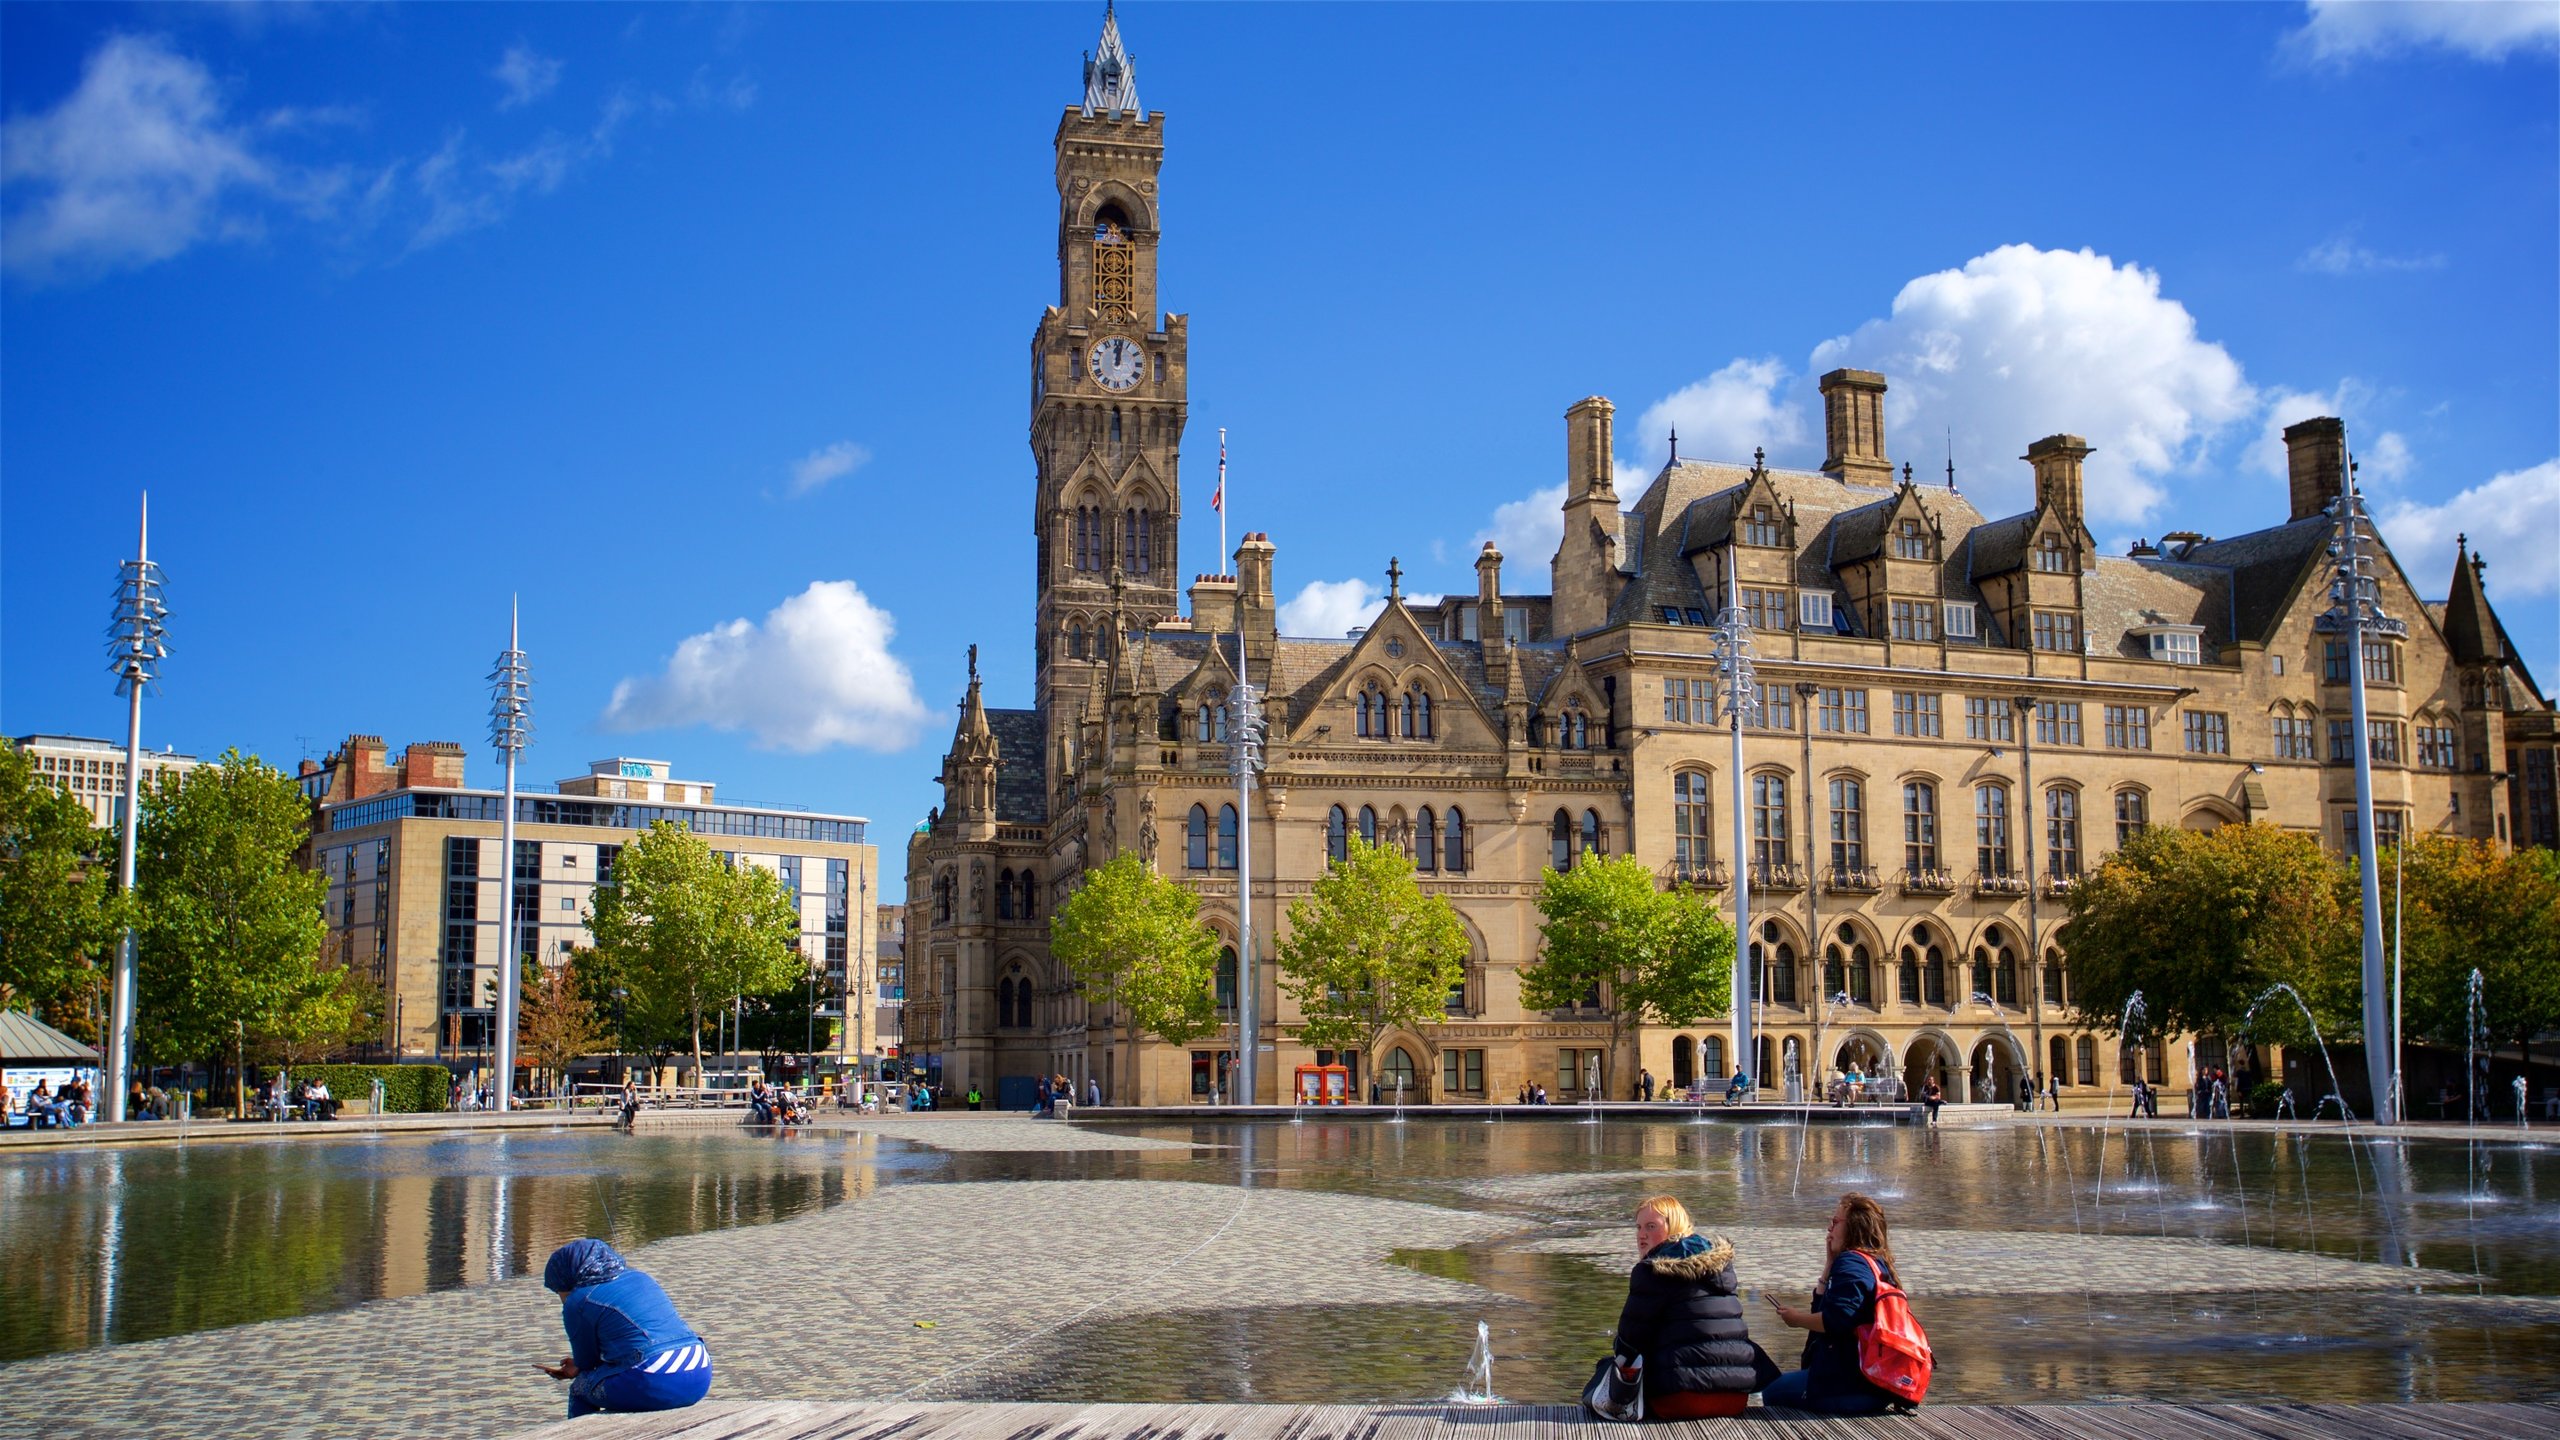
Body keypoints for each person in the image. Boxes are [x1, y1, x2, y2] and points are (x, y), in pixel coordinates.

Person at [1604, 1195, 1779, 1418]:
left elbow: (1629, 1342)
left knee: (1613, 1367)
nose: (1641, 1235)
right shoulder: (1721, 1268)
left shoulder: (1651, 1272)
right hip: (1735, 1397)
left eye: (1651, 1226)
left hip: (1679, 1399)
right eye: (1638, 1227)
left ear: (1674, 1225)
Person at [1764, 1193, 1908, 1415]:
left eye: (1835, 1222)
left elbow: (1836, 1320)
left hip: (1848, 1387)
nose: (1829, 1229)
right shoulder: (1876, 1263)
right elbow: (1826, 1311)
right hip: (1876, 1383)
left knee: (1772, 1392)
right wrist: (1829, 1264)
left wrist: (1796, 1320)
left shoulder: (1851, 1263)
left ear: (1853, 1227)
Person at [537, 1239, 711, 1419]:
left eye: (557, 1291)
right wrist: (580, 1365)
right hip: (700, 1368)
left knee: (581, 1388)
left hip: (654, 1377)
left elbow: (588, 1363)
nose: (560, 1297)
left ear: (567, 1278)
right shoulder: (641, 1277)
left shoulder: (577, 1302)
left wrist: (576, 1368)